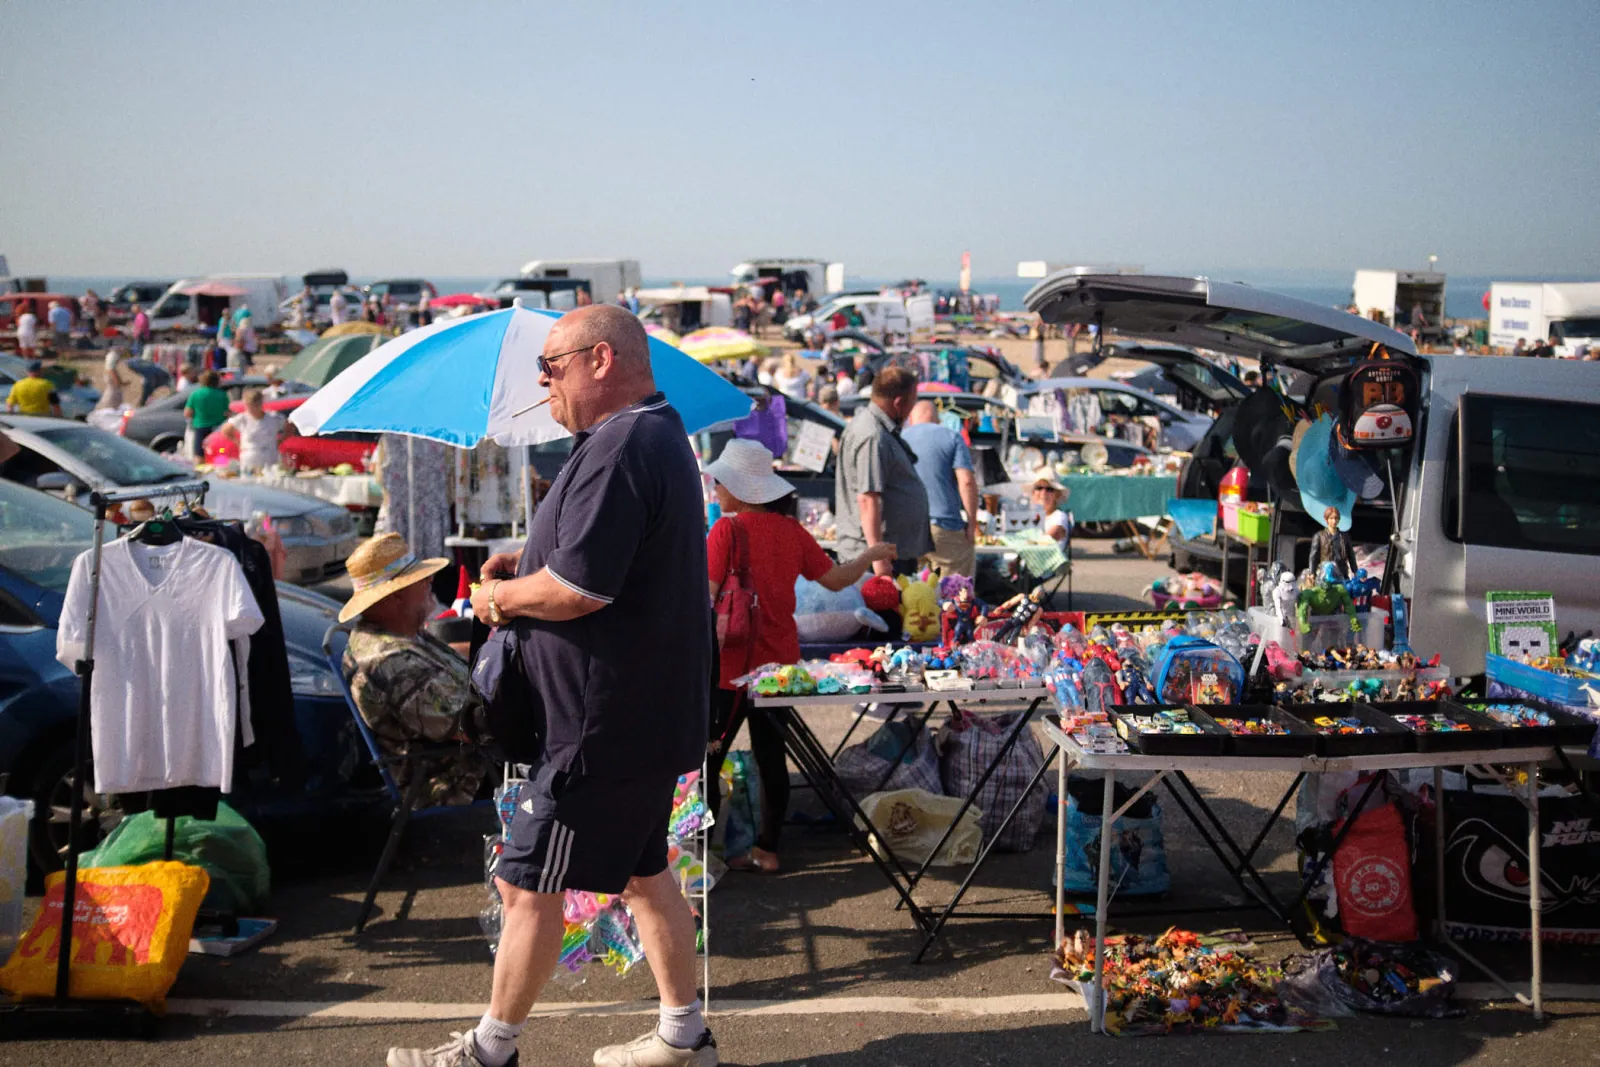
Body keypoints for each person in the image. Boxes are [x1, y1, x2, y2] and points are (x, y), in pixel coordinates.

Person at [389, 305, 717, 1067]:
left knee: (527, 882)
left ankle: (489, 1051)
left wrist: (497, 599)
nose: (543, 383)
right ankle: (683, 1035)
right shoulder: (650, 434)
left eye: (552, 366)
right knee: (646, 872)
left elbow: (581, 589)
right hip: (630, 715)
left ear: (599, 359)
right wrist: (526, 557)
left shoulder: (624, 442)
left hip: (598, 723)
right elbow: (587, 560)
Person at [702, 439, 895, 873]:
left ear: (742, 488)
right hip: (780, 666)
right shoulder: (792, 532)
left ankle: (707, 857)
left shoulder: (725, 532)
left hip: (730, 668)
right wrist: (870, 555)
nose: (715, 487)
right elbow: (835, 580)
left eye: (721, 481)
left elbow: (705, 601)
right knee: (772, 758)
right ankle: (768, 850)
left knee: (708, 761)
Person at [339, 533, 490, 806]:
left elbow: (446, 668)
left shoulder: (397, 635)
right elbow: (475, 726)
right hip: (461, 780)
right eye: (420, 579)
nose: (430, 581)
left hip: (471, 760)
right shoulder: (391, 661)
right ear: (395, 597)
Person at [833, 365, 931, 578]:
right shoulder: (872, 435)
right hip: (875, 560)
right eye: (912, 401)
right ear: (898, 402)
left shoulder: (878, 429)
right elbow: (868, 499)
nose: (912, 408)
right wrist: (878, 560)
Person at [900, 399, 979, 577]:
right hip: (944, 526)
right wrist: (971, 524)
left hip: (907, 528)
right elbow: (966, 481)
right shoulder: (952, 437)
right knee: (956, 593)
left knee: (915, 594)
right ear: (937, 419)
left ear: (911, 418)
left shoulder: (899, 438)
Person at [220, 389, 287, 472]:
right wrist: (238, 443)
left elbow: (289, 425)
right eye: (247, 406)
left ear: (259, 404)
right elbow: (225, 430)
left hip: (270, 457)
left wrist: (281, 439)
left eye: (253, 406)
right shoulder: (242, 419)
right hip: (249, 458)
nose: (250, 409)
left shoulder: (273, 417)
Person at [183, 370, 230, 458]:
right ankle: (220, 470)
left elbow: (187, 413)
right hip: (218, 429)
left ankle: (200, 470)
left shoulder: (196, 394)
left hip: (200, 428)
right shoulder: (222, 394)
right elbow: (227, 413)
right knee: (220, 453)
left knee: (199, 454)